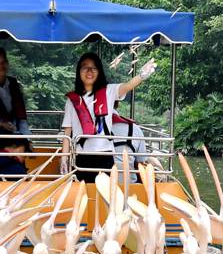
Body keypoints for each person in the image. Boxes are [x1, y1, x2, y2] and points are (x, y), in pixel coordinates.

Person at [62, 52, 157, 181]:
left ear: (99, 71)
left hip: (105, 155)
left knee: (105, 196)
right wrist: (64, 158)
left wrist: (141, 76)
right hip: (81, 155)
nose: (89, 71)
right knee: (84, 193)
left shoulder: (109, 91)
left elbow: (127, 86)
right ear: (79, 71)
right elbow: (67, 134)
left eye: (94, 68)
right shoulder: (72, 100)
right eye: (85, 67)